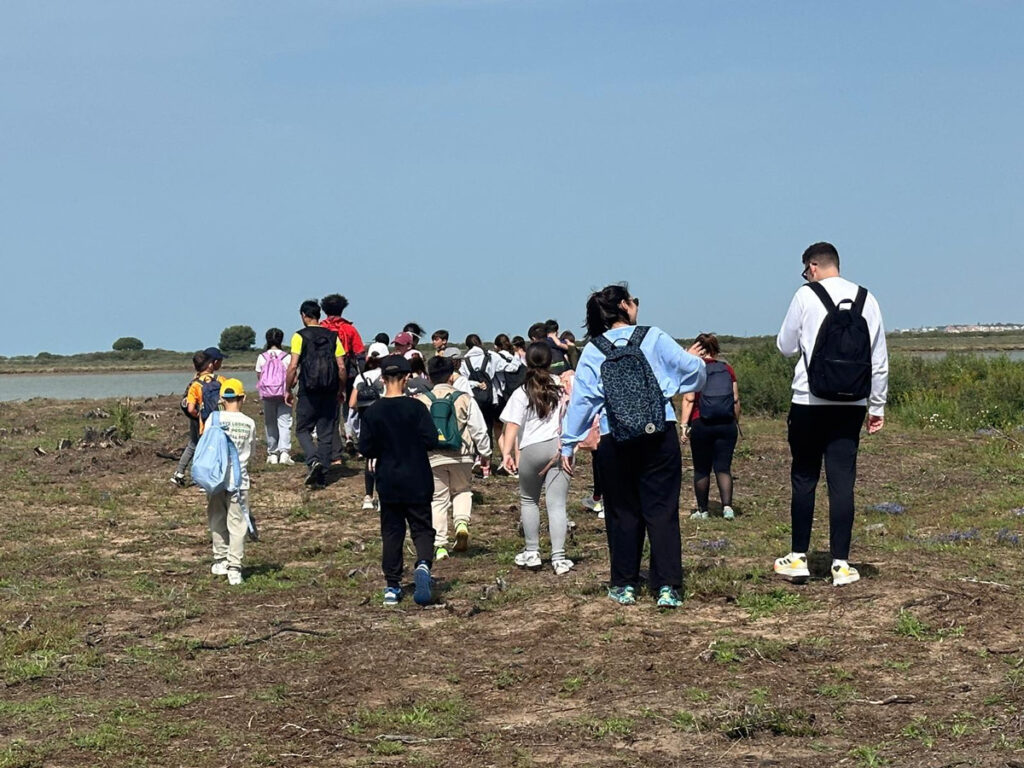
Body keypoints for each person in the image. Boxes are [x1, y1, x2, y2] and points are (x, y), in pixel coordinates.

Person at [561, 283, 706, 608]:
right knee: (662, 510)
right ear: (625, 307)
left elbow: (583, 401)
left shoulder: (593, 349)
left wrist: (568, 443)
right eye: (633, 300)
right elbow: (692, 370)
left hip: (615, 437)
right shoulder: (653, 337)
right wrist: (681, 379)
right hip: (659, 432)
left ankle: (624, 585)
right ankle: (667, 587)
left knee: (622, 512)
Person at [774, 242, 888, 587]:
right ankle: (841, 564)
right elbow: (878, 360)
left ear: (813, 266)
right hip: (851, 405)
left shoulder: (805, 295)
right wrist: (876, 406)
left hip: (808, 401)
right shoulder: (867, 299)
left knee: (804, 477)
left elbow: (785, 346)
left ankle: (798, 558)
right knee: (842, 483)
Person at [358, 355, 438, 606]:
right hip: (418, 476)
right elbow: (431, 440)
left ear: (382, 379)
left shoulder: (373, 411)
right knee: (422, 527)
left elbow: (365, 448)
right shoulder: (417, 408)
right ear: (407, 378)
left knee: (392, 532)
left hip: (388, 479)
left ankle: (392, 586)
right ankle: (423, 564)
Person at [500, 342, 573, 575]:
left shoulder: (522, 391)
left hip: (531, 449)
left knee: (529, 500)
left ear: (527, 361)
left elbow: (512, 425)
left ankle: (532, 551)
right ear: (551, 361)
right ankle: (559, 557)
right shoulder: (562, 386)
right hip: (559, 448)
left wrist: (506, 453)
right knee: (557, 504)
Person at [415, 355, 491, 561]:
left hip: (433, 457)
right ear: (451, 376)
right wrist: (485, 453)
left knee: (438, 499)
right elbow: (478, 429)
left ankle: (440, 545)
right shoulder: (464, 398)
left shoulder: (422, 401)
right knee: (463, 491)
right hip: (462, 455)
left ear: (429, 376)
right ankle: (461, 524)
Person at [285, 300, 346, 488]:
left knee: (302, 429)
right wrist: (341, 389)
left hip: (308, 390)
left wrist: (288, 389)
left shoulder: (299, 336)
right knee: (326, 433)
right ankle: (322, 476)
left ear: (303, 315)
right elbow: (341, 367)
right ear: (319, 315)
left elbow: (293, 366)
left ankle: (313, 460)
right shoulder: (333, 336)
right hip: (329, 390)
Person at [680, 333, 740, 520]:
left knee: (701, 469)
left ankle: (702, 510)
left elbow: (689, 399)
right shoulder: (727, 369)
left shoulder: (694, 369)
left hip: (701, 423)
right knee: (723, 467)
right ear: (715, 349)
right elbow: (735, 399)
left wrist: (684, 426)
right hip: (726, 424)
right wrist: (735, 421)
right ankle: (727, 508)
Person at [205, 378, 256, 586]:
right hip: (239, 480)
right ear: (243, 398)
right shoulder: (249, 423)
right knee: (237, 524)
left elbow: (205, 444)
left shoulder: (213, 418)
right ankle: (235, 568)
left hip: (215, 479)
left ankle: (220, 560)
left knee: (217, 517)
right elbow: (251, 452)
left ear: (222, 399)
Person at [171, 348, 226, 487]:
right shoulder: (220, 380)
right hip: (215, 419)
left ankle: (179, 473)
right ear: (212, 363)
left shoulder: (195, 383)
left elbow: (189, 407)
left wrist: (197, 415)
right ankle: (207, 478)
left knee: (193, 444)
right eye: (220, 361)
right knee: (211, 447)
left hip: (198, 419)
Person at [320, 293, 366, 460]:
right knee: (349, 407)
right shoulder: (350, 329)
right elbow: (360, 354)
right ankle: (349, 436)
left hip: (325, 374)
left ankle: (333, 443)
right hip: (348, 373)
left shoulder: (321, 328)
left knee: (330, 409)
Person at [349, 342, 388, 511]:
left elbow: (352, 403)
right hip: (384, 421)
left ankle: (368, 496)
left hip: (366, 422)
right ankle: (382, 496)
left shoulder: (361, 377)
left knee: (369, 458)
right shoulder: (387, 376)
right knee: (384, 458)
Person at [460, 334, 500, 478]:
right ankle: (487, 465)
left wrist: (475, 384)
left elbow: (463, 379)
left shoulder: (465, 361)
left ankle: (476, 457)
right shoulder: (490, 357)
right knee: (487, 428)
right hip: (489, 397)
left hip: (473, 397)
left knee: (473, 427)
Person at [255, 328, 294, 465]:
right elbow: (292, 376)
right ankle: (284, 453)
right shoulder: (287, 357)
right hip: (284, 393)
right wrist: (289, 389)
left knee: (270, 423)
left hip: (267, 395)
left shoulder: (262, 357)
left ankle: (272, 453)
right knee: (285, 423)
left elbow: (259, 377)